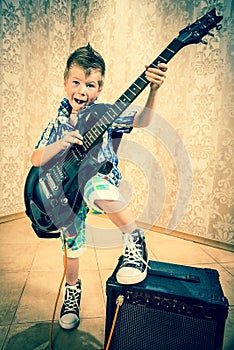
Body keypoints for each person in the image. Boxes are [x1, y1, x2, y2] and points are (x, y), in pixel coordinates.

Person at [31, 43, 168, 330]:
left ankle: (134, 239)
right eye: (77, 82)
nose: (82, 90)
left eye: (90, 85)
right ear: (65, 82)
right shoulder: (57, 122)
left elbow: (143, 120)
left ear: (99, 89)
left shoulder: (106, 113)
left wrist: (153, 90)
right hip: (65, 194)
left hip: (97, 179)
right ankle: (72, 292)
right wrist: (62, 142)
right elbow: (36, 157)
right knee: (72, 245)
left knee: (93, 184)